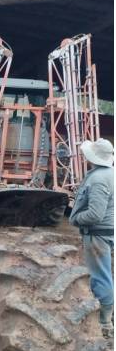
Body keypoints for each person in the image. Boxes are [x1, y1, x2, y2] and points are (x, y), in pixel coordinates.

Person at [69, 138, 114, 335]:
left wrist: (76, 218)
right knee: (106, 273)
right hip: (108, 231)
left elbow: (95, 214)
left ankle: (105, 323)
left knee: (101, 277)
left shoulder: (97, 179)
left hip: (98, 234)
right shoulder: (111, 174)